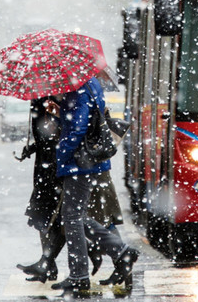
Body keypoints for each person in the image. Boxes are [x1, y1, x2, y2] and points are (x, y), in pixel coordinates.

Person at [16, 97, 124, 283]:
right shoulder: (52, 93)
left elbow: (80, 124)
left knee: (88, 216)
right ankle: (52, 263)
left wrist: (62, 148)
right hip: (59, 162)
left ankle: (118, 258)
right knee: (51, 215)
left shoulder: (74, 89)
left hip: (77, 163)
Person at [49, 76, 138, 295]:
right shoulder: (89, 84)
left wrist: (63, 153)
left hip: (80, 162)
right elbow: (82, 121)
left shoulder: (77, 89)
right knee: (74, 216)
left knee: (72, 217)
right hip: (86, 160)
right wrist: (61, 114)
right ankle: (117, 254)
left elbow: (79, 129)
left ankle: (83, 273)